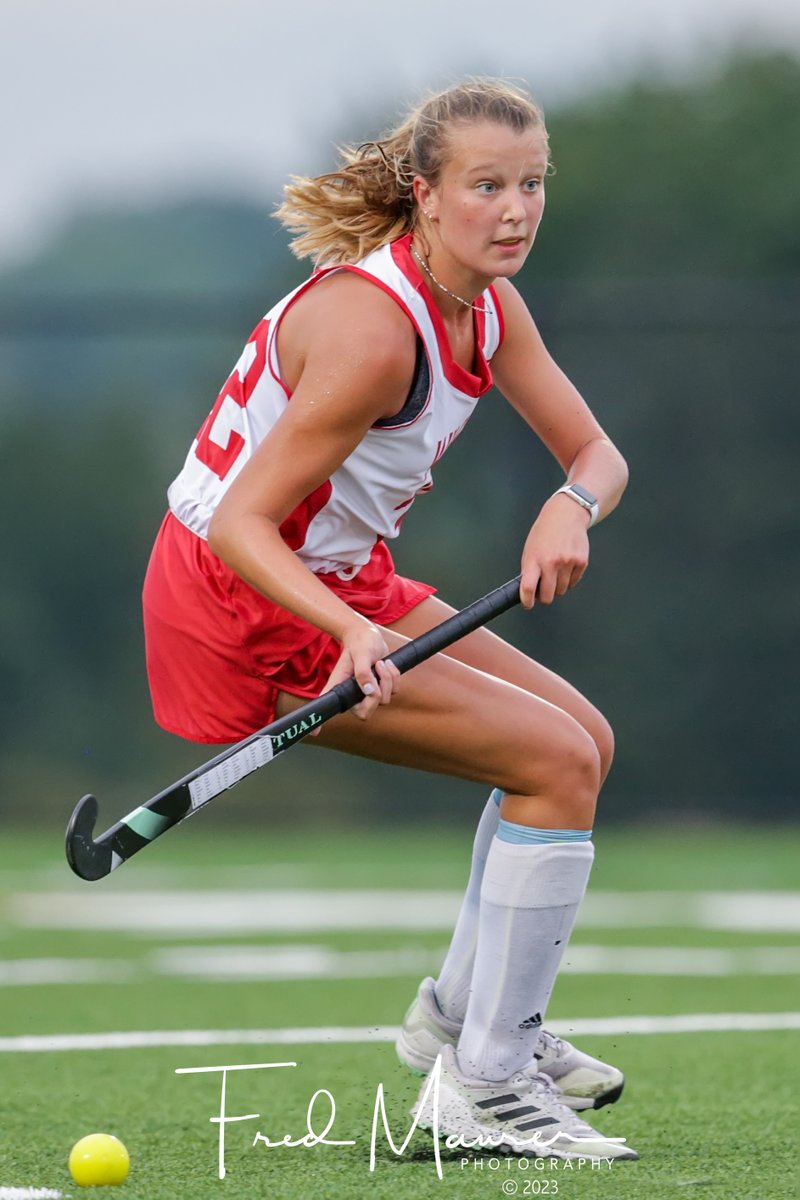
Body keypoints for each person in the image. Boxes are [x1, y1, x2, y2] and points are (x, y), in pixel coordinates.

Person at [142, 78, 636, 1160]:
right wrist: (351, 633)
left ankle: (464, 1021)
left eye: (531, 184)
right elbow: (238, 525)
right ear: (424, 194)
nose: (515, 211)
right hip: (247, 597)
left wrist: (567, 506)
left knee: (582, 743)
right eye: (485, 187)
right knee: (550, 763)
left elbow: (598, 457)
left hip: (338, 575)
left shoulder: (486, 306)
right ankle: (484, 1088)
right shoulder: (372, 331)